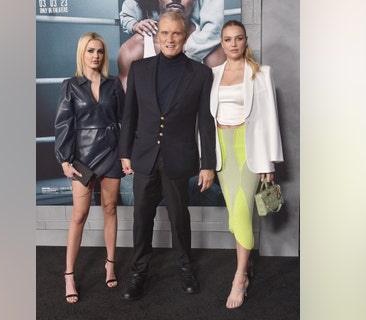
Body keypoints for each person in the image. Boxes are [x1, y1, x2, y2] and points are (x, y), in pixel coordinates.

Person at [118, 11, 216, 301]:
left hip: (179, 158)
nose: (170, 39)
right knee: (141, 218)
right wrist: (125, 153)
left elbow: (206, 121)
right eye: (165, 33)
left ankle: (185, 268)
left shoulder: (201, 74)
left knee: (178, 218)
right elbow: (130, 114)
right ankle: (138, 273)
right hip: (144, 156)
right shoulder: (139, 69)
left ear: (185, 38)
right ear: (157, 35)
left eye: (176, 34)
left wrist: (207, 164)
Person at [210, 20, 284, 309]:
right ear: (221, 42)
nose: (233, 44)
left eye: (238, 38)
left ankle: (240, 277)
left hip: (248, 147)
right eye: (228, 39)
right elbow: (206, 119)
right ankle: (247, 261)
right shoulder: (214, 74)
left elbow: (270, 119)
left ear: (245, 41)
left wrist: (269, 162)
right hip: (222, 149)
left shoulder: (261, 73)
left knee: (241, 211)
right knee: (235, 213)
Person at [54, 32, 125, 303]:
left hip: (111, 152)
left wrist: (125, 154)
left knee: (110, 209)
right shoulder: (70, 85)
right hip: (82, 158)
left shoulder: (113, 84)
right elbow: (63, 124)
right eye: (90, 51)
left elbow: (124, 119)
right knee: (79, 215)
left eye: (100, 51)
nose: (96, 56)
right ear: (82, 53)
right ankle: (69, 275)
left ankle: (110, 263)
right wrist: (64, 159)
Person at [117, 0, 226, 91]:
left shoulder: (212, 51)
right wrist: (133, 24)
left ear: (195, 2)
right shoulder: (134, 48)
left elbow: (217, 103)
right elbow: (128, 107)